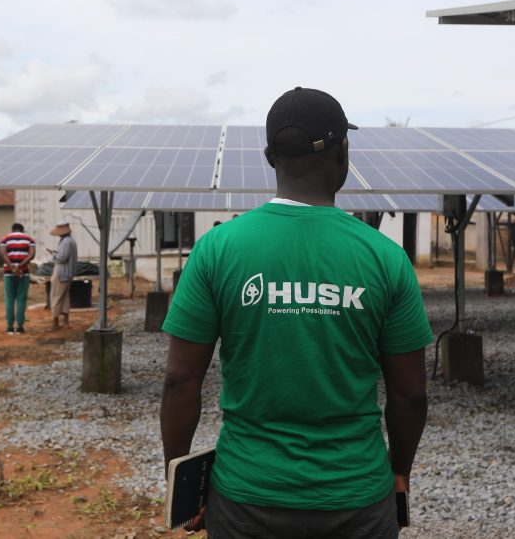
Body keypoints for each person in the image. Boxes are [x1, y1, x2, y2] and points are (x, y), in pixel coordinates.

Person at [160, 87, 433, 538]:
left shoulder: (216, 250)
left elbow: (179, 381)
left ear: (270, 157)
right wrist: (398, 472)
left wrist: (181, 484)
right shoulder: (385, 258)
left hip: (246, 498)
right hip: (358, 501)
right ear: (343, 153)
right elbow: (410, 396)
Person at [0, 222, 35, 334]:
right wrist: (20, 266)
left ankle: (10, 326)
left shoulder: (5, 239)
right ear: (22, 230)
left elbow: (3, 254)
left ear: (12, 229)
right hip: (23, 273)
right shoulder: (29, 239)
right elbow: (31, 255)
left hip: (8, 273)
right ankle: (20, 326)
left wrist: (12, 267)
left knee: (9, 299)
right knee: (21, 299)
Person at [47, 219, 78, 330]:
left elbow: (63, 257)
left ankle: (55, 323)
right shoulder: (71, 240)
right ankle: (65, 322)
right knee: (64, 297)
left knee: (55, 297)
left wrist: (53, 255)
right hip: (68, 273)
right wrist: (56, 253)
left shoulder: (65, 242)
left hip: (61, 272)